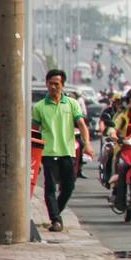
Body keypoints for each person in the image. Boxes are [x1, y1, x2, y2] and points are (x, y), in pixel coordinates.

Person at [32, 68, 92, 232]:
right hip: (48, 152)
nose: (53, 87)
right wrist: (33, 155)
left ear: (62, 85)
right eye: (50, 83)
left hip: (68, 151)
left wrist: (87, 143)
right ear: (46, 84)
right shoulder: (39, 107)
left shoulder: (72, 104)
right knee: (50, 187)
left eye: (56, 84)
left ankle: (55, 211)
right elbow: (34, 131)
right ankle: (56, 220)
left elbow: (81, 125)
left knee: (69, 186)